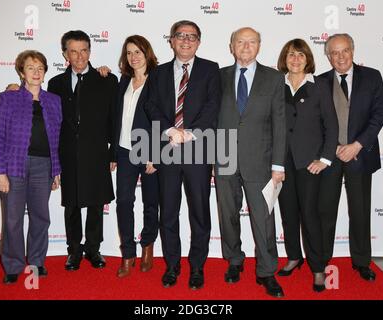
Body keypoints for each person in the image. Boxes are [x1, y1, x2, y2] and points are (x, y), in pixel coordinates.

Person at [145, 20, 221, 290]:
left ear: (199, 42)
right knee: (168, 212)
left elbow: (213, 107)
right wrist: (170, 130)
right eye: (181, 36)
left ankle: (197, 267)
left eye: (192, 37)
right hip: (167, 150)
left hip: (198, 151)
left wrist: (188, 133)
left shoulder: (211, 70)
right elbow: (151, 105)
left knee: (200, 212)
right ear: (172, 40)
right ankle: (172, 265)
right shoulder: (158, 72)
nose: (186, 41)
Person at [214, 27, 286, 298]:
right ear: (231, 46)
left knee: (264, 220)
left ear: (259, 46)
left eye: (251, 42)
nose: (245, 46)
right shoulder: (217, 77)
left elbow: (280, 123)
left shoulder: (274, 78)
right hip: (224, 158)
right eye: (240, 42)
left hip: (261, 161)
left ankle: (267, 271)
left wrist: (278, 165)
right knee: (228, 215)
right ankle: (234, 260)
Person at [48, 30, 119, 271]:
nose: (79, 56)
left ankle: (93, 249)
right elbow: (52, 121)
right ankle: (74, 251)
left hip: (97, 152)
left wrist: (113, 153)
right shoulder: (55, 83)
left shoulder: (107, 79)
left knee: (97, 203)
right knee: (72, 204)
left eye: (84, 50)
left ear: (90, 51)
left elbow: (114, 120)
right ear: (65, 54)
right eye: (74, 51)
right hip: (67, 153)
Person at [318, 33, 383, 281]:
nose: (340, 56)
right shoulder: (319, 82)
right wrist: (334, 147)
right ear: (328, 56)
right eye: (334, 52)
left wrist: (357, 145)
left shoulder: (372, 77)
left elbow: (379, 114)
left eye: (344, 50)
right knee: (325, 211)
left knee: (360, 211)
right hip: (330, 156)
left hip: (360, 154)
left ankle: (361, 261)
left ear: (353, 50)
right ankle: (322, 260)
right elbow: (316, 121)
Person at [0, 50, 62, 284]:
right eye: (31, 67)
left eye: (40, 67)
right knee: (13, 218)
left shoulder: (53, 100)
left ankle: (37, 261)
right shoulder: (8, 98)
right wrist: (0, 172)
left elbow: (57, 138)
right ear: (21, 72)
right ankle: (12, 264)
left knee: (41, 216)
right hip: (13, 167)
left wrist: (56, 170)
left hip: (44, 166)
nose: (36, 72)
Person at [276, 39, 338, 292]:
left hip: (308, 163)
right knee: (288, 212)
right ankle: (293, 256)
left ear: (308, 59)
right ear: (285, 58)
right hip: (281, 162)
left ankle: (318, 267)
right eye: (291, 54)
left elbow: (331, 126)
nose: (296, 59)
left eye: (301, 55)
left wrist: (324, 159)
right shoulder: (275, 85)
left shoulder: (320, 86)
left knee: (310, 216)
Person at [114, 35, 160, 278]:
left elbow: (161, 119)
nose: (133, 56)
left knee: (151, 202)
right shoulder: (123, 81)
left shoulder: (158, 80)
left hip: (148, 151)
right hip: (124, 151)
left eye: (138, 52)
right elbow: (115, 118)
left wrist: (155, 154)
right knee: (124, 202)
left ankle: (147, 246)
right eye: (129, 52)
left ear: (147, 53)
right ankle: (128, 253)